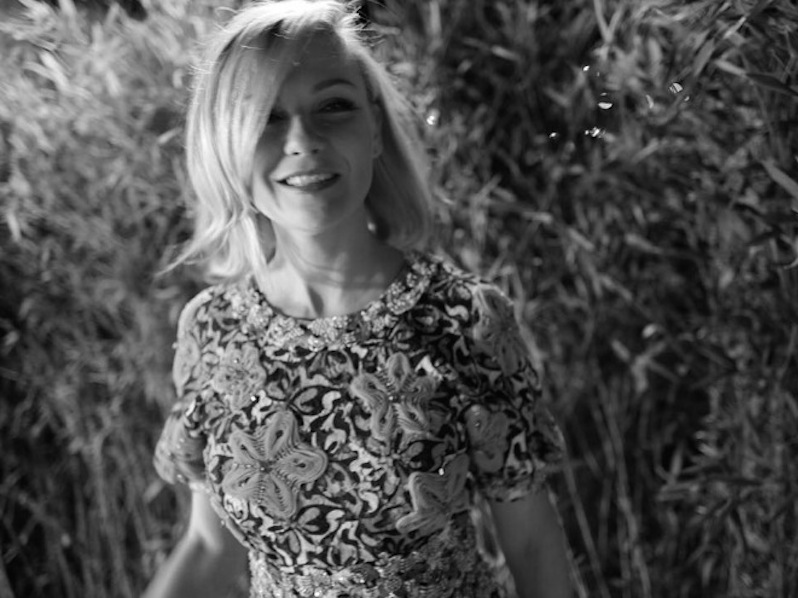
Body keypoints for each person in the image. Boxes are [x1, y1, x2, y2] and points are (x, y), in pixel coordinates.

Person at [143, 1, 572, 596]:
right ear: (226, 145)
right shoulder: (211, 330)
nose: (302, 139)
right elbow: (209, 547)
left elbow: (532, 546)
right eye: (266, 117)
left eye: (333, 106)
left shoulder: (462, 320)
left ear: (374, 126)